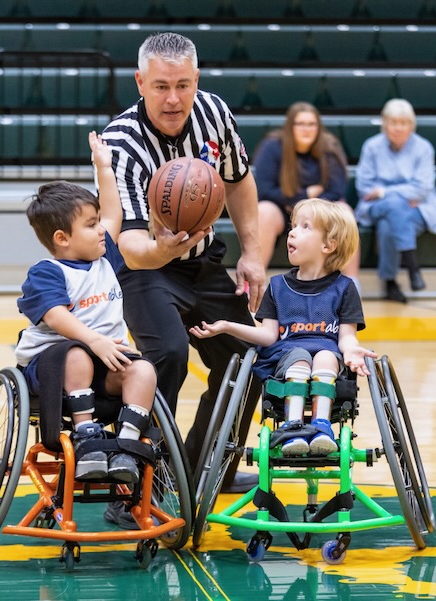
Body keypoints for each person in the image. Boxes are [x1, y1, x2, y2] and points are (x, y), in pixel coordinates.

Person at [101, 32, 266, 498]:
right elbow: (132, 247)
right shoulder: (121, 143)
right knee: (167, 355)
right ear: (139, 82)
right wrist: (166, 248)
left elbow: (237, 180)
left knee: (247, 357)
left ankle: (203, 467)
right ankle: (139, 480)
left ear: (197, 79)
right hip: (144, 269)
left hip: (203, 263)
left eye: (183, 85)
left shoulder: (214, 112)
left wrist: (253, 254)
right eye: (160, 87)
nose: (173, 99)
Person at [15, 132, 157, 486]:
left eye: (97, 224)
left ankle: (126, 445)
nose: (100, 230)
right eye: (90, 225)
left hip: (103, 362)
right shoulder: (47, 271)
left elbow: (113, 212)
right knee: (76, 353)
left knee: (143, 371)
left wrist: (104, 167)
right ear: (62, 238)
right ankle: (87, 438)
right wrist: (94, 341)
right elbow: (55, 315)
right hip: (51, 368)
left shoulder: (103, 255)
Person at [190, 199, 376, 455]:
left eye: (305, 227)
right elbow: (267, 336)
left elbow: (346, 336)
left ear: (328, 245)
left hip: (327, 358)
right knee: (299, 358)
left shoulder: (344, 289)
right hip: (286, 357)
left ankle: (321, 426)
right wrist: (227, 326)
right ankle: (293, 425)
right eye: (293, 226)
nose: (292, 231)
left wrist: (352, 351)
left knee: (324, 356)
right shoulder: (278, 287)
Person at [354, 98, 436, 303]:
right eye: (393, 122)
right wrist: (401, 195)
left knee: (390, 223)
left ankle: (390, 282)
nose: (398, 128)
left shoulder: (423, 147)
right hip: (379, 206)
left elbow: (422, 188)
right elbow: (363, 186)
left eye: (403, 123)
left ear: (411, 125)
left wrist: (384, 192)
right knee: (396, 206)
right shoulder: (371, 146)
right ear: (384, 124)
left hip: (416, 208)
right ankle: (412, 268)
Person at [253, 101, 360, 285]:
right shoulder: (272, 147)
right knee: (263, 211)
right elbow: (264, 190)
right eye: (300, 124)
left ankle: (352, 284)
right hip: (282, 211)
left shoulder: (329, 147)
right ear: (290, 126)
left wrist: (308, 205)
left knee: (345, 210)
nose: (307, 129)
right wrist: (305, 195)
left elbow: (336, 190)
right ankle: (254, 282)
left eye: (311, 124)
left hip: (320, 214)